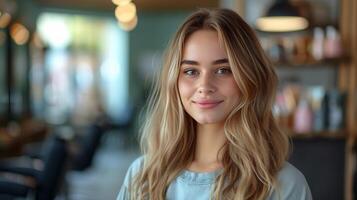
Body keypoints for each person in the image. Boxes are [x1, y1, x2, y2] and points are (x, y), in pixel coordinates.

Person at [117, 8, 312, 200]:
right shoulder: (142, 176)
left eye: (223, 70)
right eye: (191, 71)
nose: (204, 86)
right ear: (174, 81)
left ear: (251, 78)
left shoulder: (283, 185)